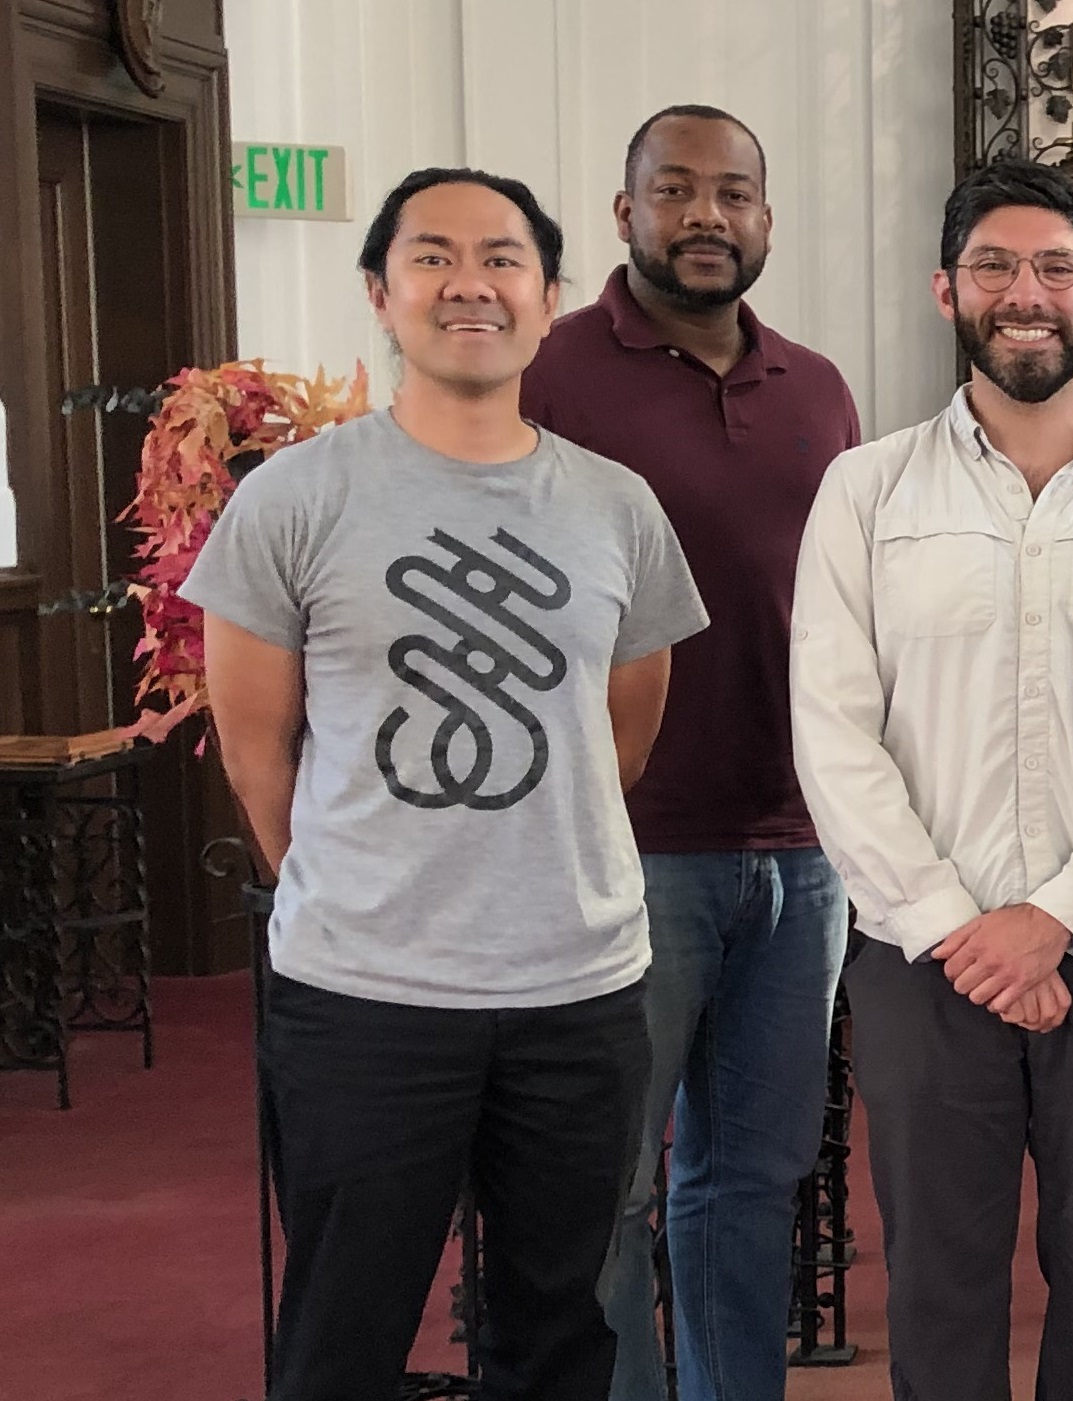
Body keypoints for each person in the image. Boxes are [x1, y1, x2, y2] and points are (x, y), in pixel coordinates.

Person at [190, 167, 708, 1398]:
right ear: (380, 291)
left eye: (502, 258)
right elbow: (258, 751)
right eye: (432, 256)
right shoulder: (293, 501)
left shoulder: (616, 507)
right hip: (365, 993)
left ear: (548, 296)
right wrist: (354, 889)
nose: (468, 282)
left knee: (558, 1322)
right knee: (344, 1324)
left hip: (574, 988)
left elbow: (622, 739)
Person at [788, 158, 1073, 1401]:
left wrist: (1058, 920)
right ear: (948, 289)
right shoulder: (866, 492)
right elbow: (834, 734)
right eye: (994, 265)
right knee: (941, 1279)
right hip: (921, 964)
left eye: (1056, 268)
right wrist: (962, 929)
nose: (1025, 292)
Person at [522, 104, 863, 1401]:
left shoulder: (817, 389)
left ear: (766, 221)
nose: (707, 216)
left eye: (733, 194)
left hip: (800, 852)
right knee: (607, 1186)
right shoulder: (553, 375)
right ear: (627, 215)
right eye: (676, 190)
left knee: (746, 1182)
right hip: (624, 847)